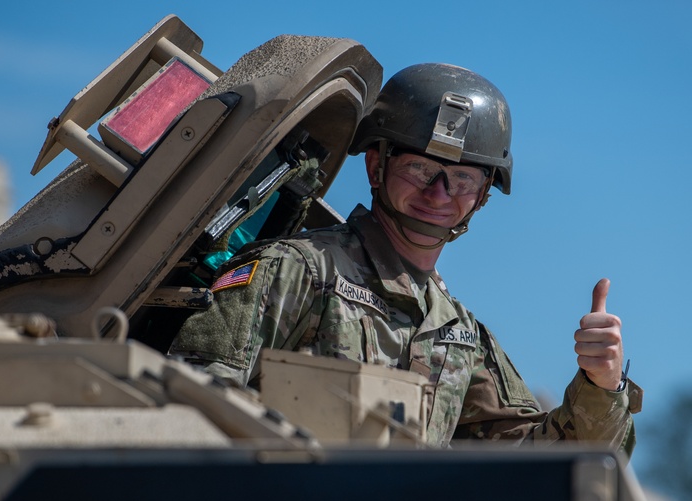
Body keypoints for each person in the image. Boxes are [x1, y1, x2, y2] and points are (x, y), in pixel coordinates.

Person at [170, 62, 642, 453]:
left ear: (481, 198)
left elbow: (549, 464)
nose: (439, 193)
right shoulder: (297, 272)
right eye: (421, 167)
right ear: (376, 166)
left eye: (462, 180)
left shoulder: (460, 337)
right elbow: (190, 404)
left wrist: (603, 386)